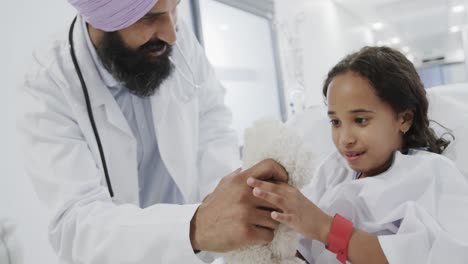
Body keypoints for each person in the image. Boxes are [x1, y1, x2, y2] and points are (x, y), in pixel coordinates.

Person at [17, 0, 287, 263]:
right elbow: (76, 225)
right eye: (150, 17)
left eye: (175, 8)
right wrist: (195, 227)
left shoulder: (177, 40)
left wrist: (220, 202)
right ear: (102, 18)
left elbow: (213, 123)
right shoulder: (49, 83)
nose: (171, 34)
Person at [247, 46, 468, 263]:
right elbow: (302, 242)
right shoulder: (332, 169)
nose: (345, 139)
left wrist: (325, 228)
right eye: (335, 122)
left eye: (360, 120)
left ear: (404, 119)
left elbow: (436, 255)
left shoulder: (432, 174)